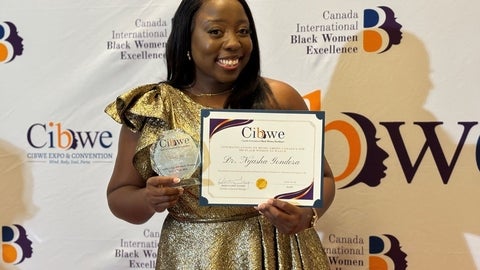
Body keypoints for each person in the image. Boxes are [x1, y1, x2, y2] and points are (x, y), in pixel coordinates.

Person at [105, 0, 335, 269]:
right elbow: (119, 195)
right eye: (215, 31)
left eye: (243, 31)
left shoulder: (278, 98)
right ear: (186, 38)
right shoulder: (154, 107)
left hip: (281, 254)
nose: (233, 43)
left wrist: (307, 214)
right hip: (195, 257)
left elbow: (324, 178)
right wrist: (147, 199)